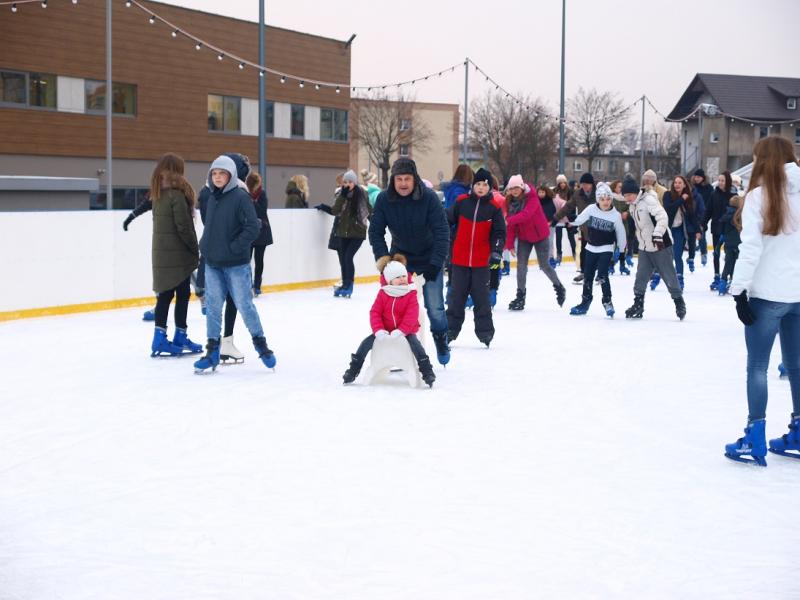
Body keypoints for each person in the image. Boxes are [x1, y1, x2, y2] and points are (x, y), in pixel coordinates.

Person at [725, 136, 800, 466]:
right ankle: (798, 431)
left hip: (767, 295)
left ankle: (754, 437)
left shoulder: (758, 197)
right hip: (798, 296)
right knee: (796, 365)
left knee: (757, 366)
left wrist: (738, 290)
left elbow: (751, 248)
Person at [193, 155, 276, 373]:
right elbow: (209, 227)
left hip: (236, 265)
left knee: (244, 305)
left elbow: (252, 227)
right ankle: (212, 352)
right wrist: (205, 247)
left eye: (222, 173)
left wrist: (234, 248)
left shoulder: (240, 196)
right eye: (214, 173)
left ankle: (262, 346)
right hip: (213, 262)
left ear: (231, 175)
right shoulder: (211, 197)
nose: (218, 177)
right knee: (212, 308)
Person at [369, 157, 451, 365]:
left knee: (435, 308)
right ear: (393, 181)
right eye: (399, 179)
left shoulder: (429, 198)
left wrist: (435, 263)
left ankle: (441, 337)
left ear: (414, 179)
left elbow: (442, 232)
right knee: (395, 309)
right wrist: (385, 260)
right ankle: (397, 353)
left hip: (429, 257)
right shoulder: (384, 200)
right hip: (400, 260)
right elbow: (376, 231)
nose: (403, 183)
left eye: (407, 178)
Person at [342, 255, 435, 388]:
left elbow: (412, 315)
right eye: (397, 277)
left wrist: (402, 330)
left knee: (416, 345)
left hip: (407, 331)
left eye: (403, 276)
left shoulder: (410, 293)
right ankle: (353, 369)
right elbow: (375, 312)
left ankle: (427, 371)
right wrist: (378, 330)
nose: (402, 279)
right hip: (385, 330)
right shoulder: (383, 293)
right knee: (365, 343)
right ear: (389, 280)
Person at [196, 152, 252, 364]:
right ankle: (223, 343)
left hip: (218, 254)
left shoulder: (210, 191)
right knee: (228, 300)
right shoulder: (234, 193)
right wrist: (236, 246)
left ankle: (221, 343)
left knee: (224, 301)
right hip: (228, 256)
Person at [146, 153, 201, 357]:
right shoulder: (177, 195)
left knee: (167, 295)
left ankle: (161, 338)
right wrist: (195, 249)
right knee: (182, 295)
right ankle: (178, 335)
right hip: (177, 254)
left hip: (162, 253)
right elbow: (184, 228)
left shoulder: (158, 195)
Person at [445, 167, 506, 346]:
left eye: (484, 184)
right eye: (477, 184)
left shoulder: (494, 208)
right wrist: (445, 238)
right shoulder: (462, 202)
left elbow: (500, 233)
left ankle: (485, 332)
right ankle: (450, 330)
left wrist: (496, 250)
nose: (480, 187)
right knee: (456, 298)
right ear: (473, 186)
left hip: (481, 262)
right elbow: (447, 219)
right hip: (459, 260)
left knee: (482, 298)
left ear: (489, 188)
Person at [622, 175, 686, 320]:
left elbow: (663, 217)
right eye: (625, 195)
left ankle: (679, 302)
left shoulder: (648, 200)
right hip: (645, 247)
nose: (627, 198)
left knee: (669, 276)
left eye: (629, 194)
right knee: (641, 278)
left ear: (636, 192)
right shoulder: (633, 204)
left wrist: (657, 234)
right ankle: (638, 304)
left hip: (660, 245)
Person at [503, 176, 566, 311]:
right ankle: (520, 297)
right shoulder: (510, 202)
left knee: (543, 265)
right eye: (511, 188)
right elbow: (512, 227)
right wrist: (510, 244)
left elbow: (526, 215)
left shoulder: (532, 197)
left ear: (521, 186)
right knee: (521, 266)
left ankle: (559, 287)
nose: (514, 191)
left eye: (516, 188)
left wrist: (509, 220)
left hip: (540, 235)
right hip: (524, 237)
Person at [565, 182, 626, 317]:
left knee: (603, 275)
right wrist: (570, 220)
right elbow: (580, 219)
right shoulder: (591, 209)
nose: (606, 202)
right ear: (598, 199)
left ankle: (607, 301)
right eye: (603, 199)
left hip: (606, 249)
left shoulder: (615, 215)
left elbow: (621, 234)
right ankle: (585, 302)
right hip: (590, 249)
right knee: (588, 277)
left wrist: (621, 252)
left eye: (608, 199)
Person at [316, 169, 371, 298]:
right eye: (345, 182)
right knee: (343, 259)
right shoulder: (342, 194)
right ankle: (345, 284)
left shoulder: (361, 193)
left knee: (348, 257)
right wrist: (325, 205)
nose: (347, 184)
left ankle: (349, 284)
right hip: (343, 232)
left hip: (357, 232)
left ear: (355, 183)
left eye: (350, 182)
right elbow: (335, 211)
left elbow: (369, 210)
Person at [552, 172, 596, 284]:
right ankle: (584, 272)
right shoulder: (577, 194)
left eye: (587, 184)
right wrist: (556, 218)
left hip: (598, 227)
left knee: (598, 251)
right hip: (585, 227)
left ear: (592, 184)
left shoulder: (598, 194)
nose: (585, 186)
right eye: (583, 184)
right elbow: (567, 207)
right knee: (584, 250)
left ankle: (599, 273)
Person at [662, 175, 703, 290]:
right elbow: (669, 208)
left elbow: (692, 216)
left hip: (680, 230)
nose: (677, 185)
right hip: (667, 229)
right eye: (675, 183)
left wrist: (698, 230)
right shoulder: (668, 195)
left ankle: (679, 278)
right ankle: (657, 273)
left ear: (684, 185)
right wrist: (681, 199)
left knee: (677, 254)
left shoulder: (688, 198)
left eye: (680, 183)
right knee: (664, 254)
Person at [704, 170, 735, 290]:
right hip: (716, 228)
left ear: (728, 182)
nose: (721, 183)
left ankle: (727, 276)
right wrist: (703, 224)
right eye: (719, 180)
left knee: (729, 254)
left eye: (723, 180)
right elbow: (708, 210)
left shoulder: (733, 195)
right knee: (716, 253)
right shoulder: (714, 194)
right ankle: (716, 276)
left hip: (729, 229)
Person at [246, 171, 273, 297]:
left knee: (259, 260)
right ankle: (248, 284)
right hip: (249, 230)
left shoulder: (262, 194)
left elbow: (262, 211)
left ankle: (257, 285)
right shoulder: (245, 194)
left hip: (262, 230)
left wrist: (253, 203)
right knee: (247, 259)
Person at [717, 195, 743, 295]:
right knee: (736, 264)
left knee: (728, 264)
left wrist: (720, 243)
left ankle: (722, 286)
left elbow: (722, 231)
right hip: (738, 244)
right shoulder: (741, 216)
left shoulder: (726, 215)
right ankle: (733, 282)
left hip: (728, 245)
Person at [553, 174, 577, 267]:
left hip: (568, 217)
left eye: (564, 182)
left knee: (571, 237)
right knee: (558, 237)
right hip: (559, 217)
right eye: (560, 183)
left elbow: (573, 204)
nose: (562, 184)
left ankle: (575, 254)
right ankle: (559, 255)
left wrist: (572, 218)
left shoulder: (570, 191)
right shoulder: (554, 191)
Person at [609, 179, 632, 275]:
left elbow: (632, 208)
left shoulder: (626, 198)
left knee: (623, 246)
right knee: (613, 246)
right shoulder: (610, 197)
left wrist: (627, 213)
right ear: (614, 187)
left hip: (624, 225)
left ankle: (622, 265)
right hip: (613, 226)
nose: (621, 188)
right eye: (619, 187)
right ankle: (610, 265)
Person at [692, 168, 713, 267]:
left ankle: (703, 254)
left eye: (699, 177)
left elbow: (711, 200)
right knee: (690, 236)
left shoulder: (708, 188)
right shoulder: (692, 187)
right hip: (692, 214)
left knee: (701, 235)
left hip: (703, 214)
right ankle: (691, 254)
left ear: (703, 178)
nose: (696, 179)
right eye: (695, 177)